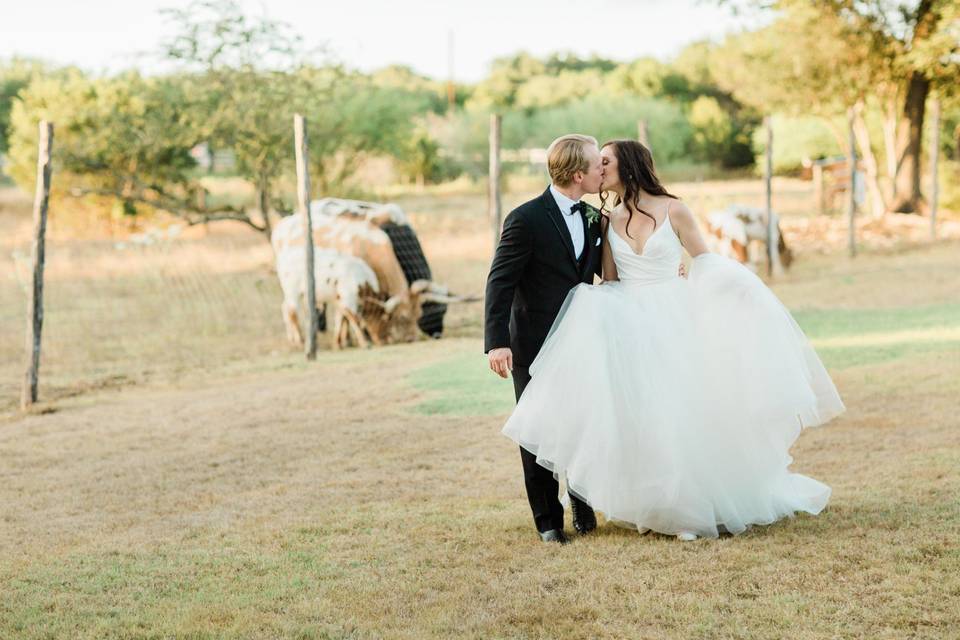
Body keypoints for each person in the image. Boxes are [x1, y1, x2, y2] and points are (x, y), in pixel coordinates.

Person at [499, 139, 845, 541]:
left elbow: (707, 261)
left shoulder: (674, 209)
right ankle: (657, 507)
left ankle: (693, 508)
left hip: (675, 319)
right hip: (630, 323)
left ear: (627, 166)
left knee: (685, 413)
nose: (600, 168)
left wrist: (733, 292)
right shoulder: (607, 219)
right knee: (646, 419)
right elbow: (609, 279)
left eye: (606, 161)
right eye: (598, 163)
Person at [484, 134, 605, 544]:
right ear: (577, 174)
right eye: (596, 164)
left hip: (581, 340)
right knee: (538, 430)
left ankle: (582, 502)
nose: (602, 170)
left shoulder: (593, 217)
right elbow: (500, 282)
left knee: (583, 423)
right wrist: (496, 341)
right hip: (533, 343)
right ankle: (548, 522)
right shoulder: (525, 219)